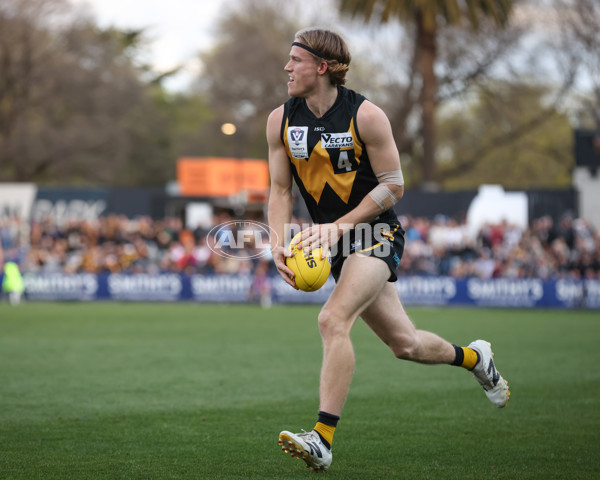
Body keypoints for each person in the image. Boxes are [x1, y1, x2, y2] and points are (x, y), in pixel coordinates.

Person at [266, 28, 509, 472]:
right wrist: (278, 245)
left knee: (332, 318)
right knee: (406, 344)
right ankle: (477, 358)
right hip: (334, 241)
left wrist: (338, 227)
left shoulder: (367, 116)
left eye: (295, 60)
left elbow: (394, 185)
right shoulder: (280, 119)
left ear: (322, 67)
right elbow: (280, 190)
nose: (287, 67)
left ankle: (322, 439)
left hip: (374, 235)